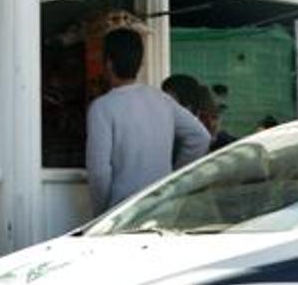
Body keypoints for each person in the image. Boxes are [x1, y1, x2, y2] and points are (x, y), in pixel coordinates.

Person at [86, 29, 210, 214]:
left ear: (109, 63)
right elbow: (200, 137)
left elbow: (99, 172)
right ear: (140, 63)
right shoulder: (162, 100)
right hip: (163, 207)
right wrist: (172, 180)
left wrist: (102, 214)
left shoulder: (102, 107)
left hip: (123, 213)